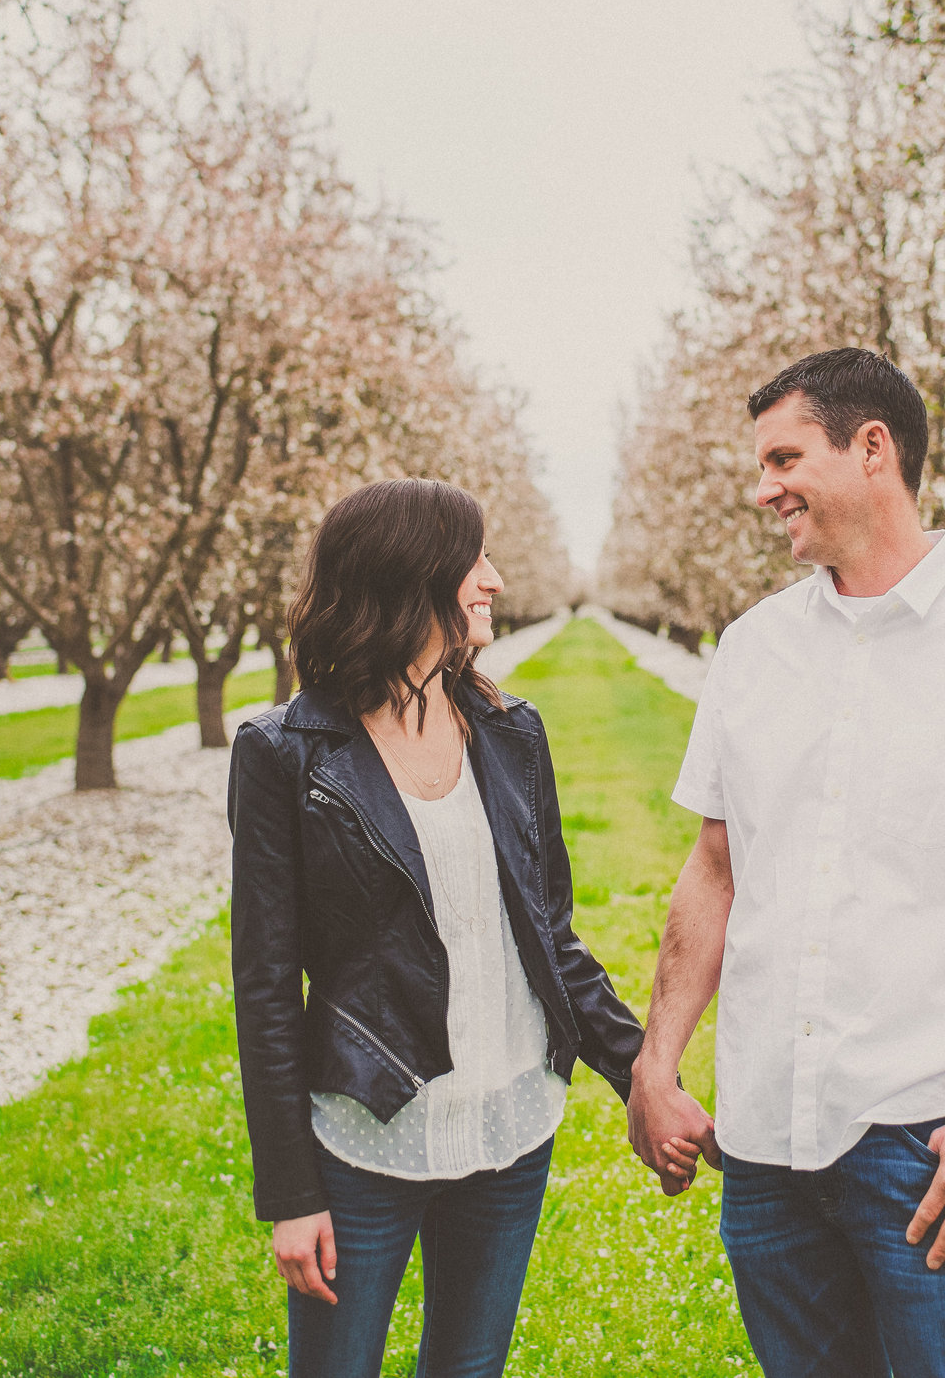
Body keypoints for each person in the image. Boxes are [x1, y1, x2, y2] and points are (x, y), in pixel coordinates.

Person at [625, 347, 945, 1378]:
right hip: (762, 1139)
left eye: (782, 457)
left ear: (871, 448)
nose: (761, 488)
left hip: (928, 1141)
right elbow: (714, 866)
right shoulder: (753, 649)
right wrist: (654, 1059)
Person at [228, 478, 645, 1378]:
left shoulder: (509, 731)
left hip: (511, 1133)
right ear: (411, 577)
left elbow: (551, 937)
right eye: (473, 561)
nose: (492, 579)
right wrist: (292, 1193)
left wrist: (640, 1072)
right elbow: (265, 989)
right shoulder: (284, 755)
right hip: (365, 1139)